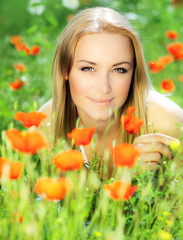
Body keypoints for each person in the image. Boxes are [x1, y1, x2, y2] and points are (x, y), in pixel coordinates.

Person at [38, 7, 183, 178]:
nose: (104, 87)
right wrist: (128, 180)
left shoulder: (166, 125)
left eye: (119, 70)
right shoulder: (46, 128)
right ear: (65, 70)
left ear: (134, 73)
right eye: (88, 68)